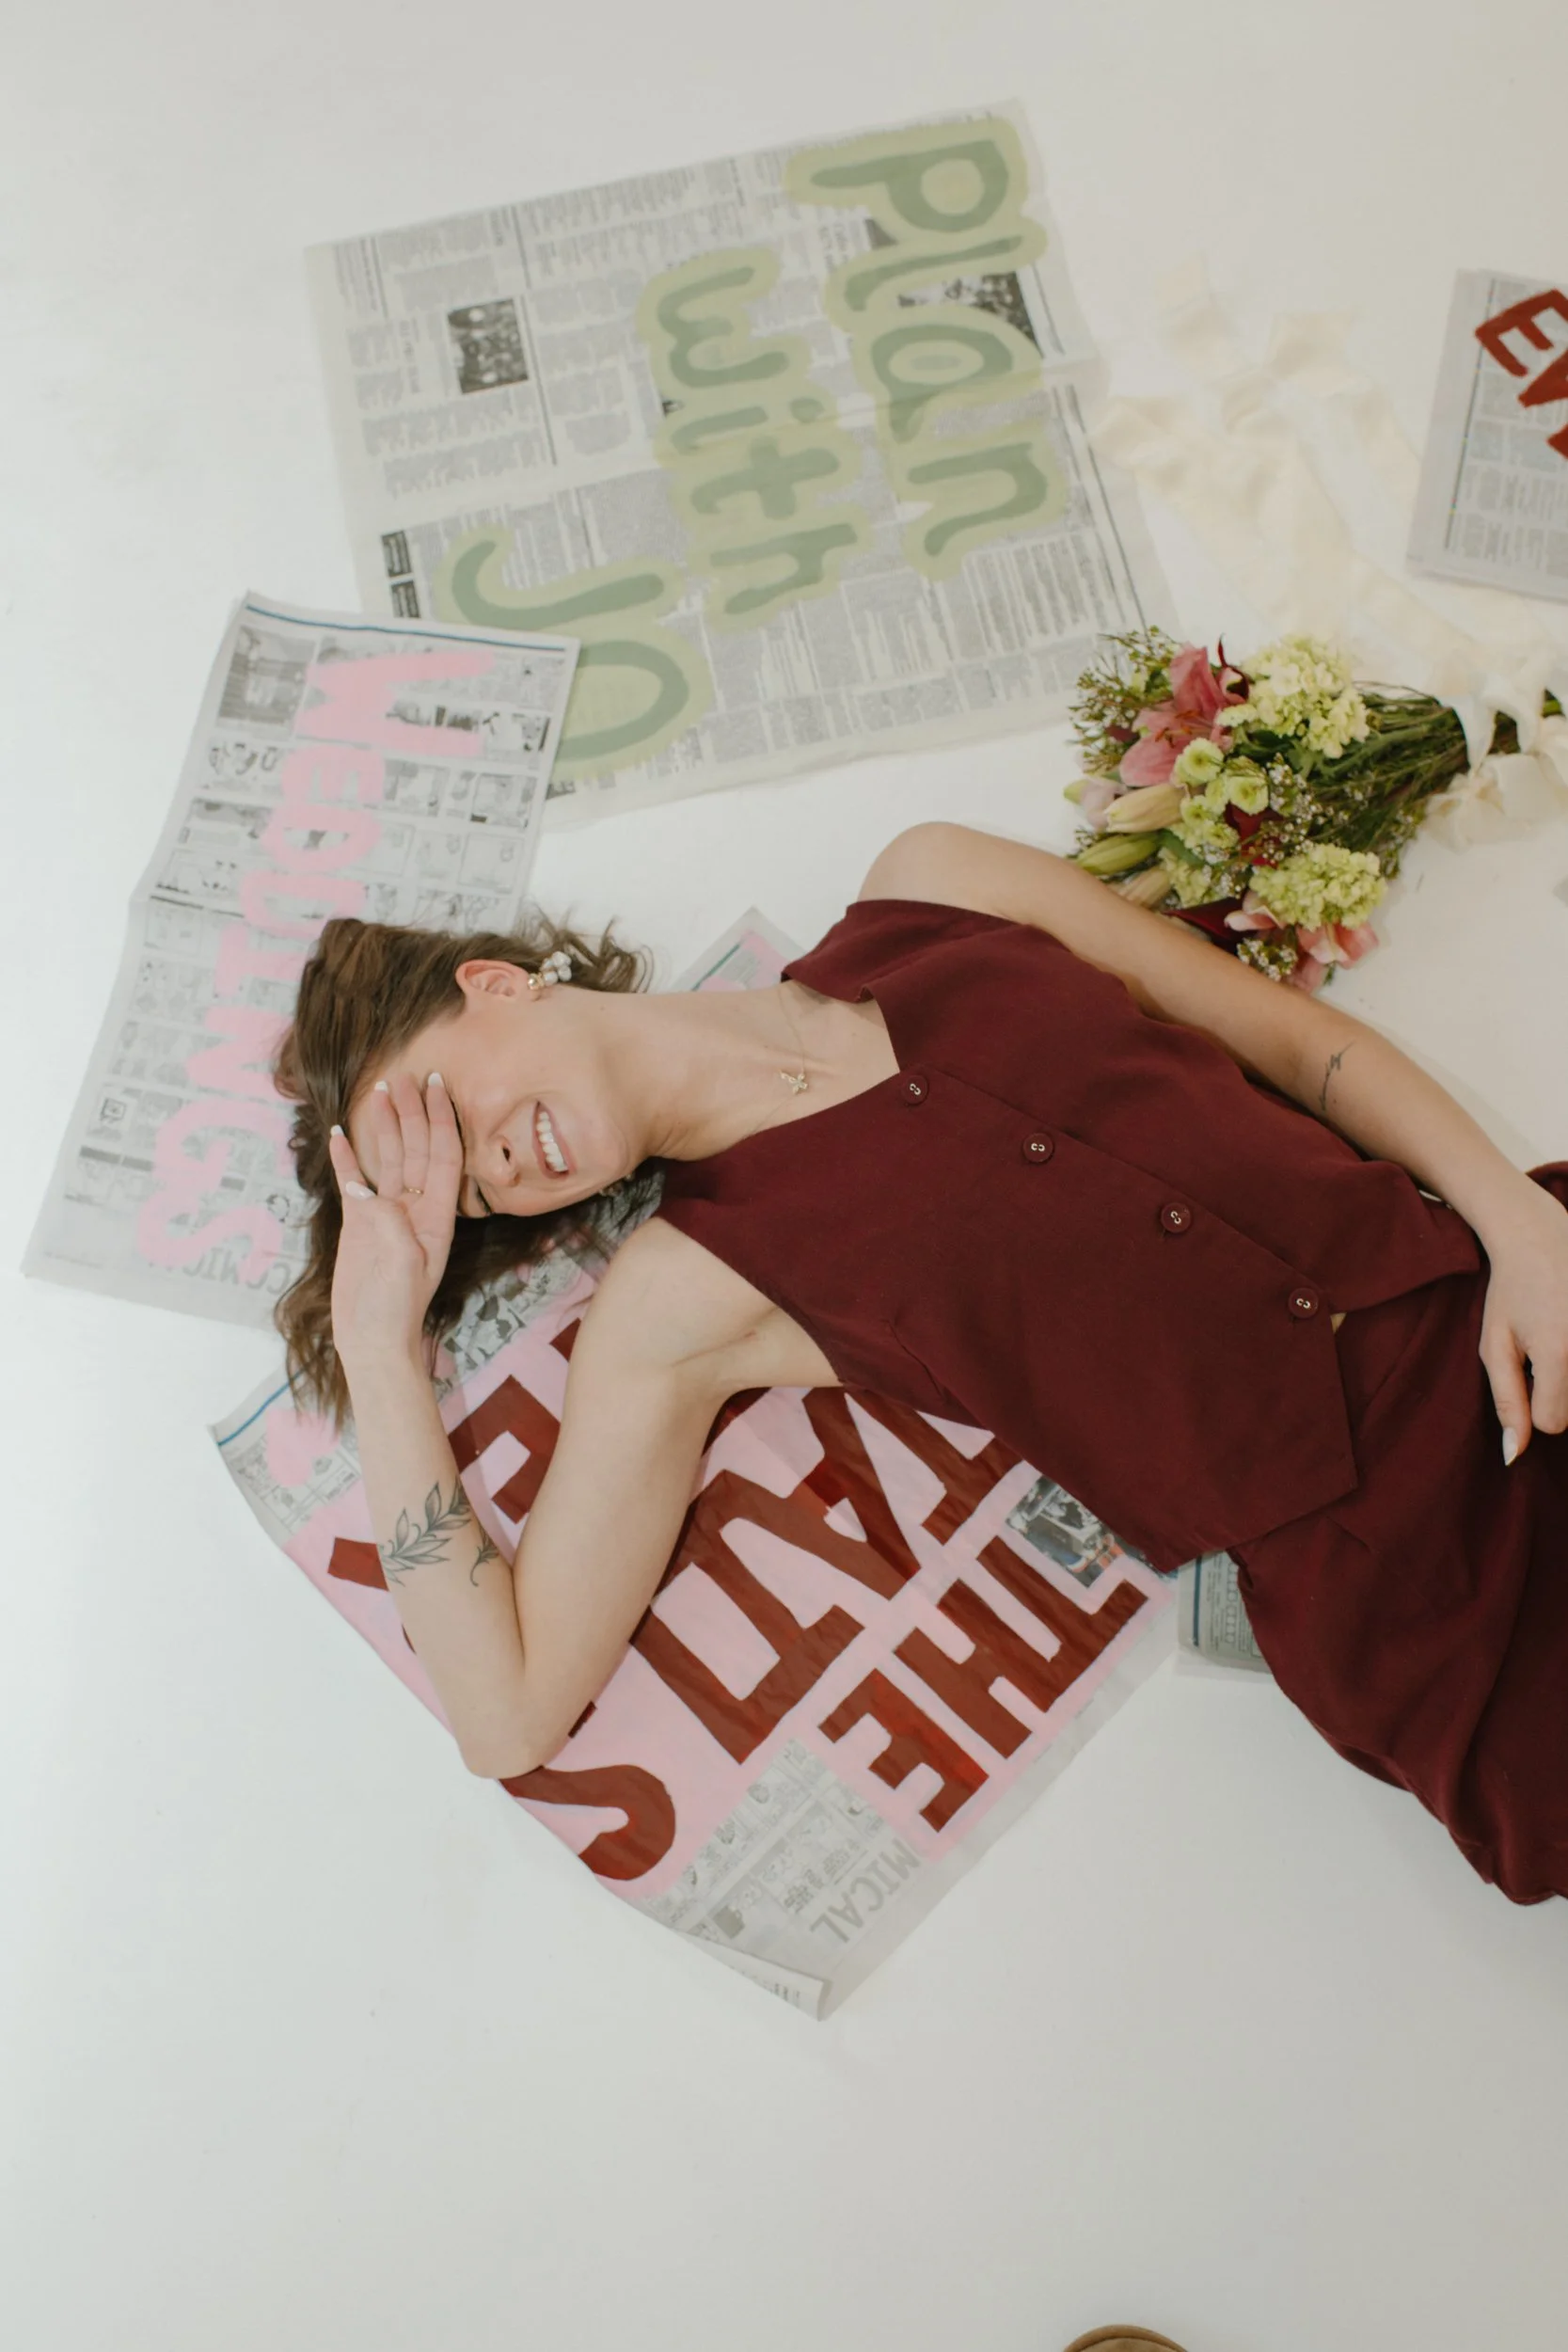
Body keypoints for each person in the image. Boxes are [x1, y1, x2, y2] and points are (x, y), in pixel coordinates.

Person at [272, 820, 1568, 1899]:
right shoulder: (684, 1295)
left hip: (1504, 1306)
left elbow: (1285, 1042)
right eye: (461, 1201)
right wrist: (380, 1348)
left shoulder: (934, 884)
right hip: (1419, 1596)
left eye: (445, 1115)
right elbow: (507, 1714)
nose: (491, 1170)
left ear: (497, 984)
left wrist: (1514, 1220)